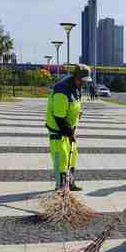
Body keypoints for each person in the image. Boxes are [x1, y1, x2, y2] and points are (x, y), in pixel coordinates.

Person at [45, 63, 90, 192]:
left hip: (69, 129)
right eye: (82, 80)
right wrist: (70, 133)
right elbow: (59, 117)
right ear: (75, 77)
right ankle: (61, 187)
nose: (84, 83)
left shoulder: (75, 87)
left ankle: (69, 183)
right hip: (58, 132)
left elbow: (73, 106)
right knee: (62, 159)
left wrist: (77, 115)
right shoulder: (62, 90)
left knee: (73, 155)